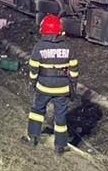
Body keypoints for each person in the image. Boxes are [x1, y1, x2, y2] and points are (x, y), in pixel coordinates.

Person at [24, 15, 79, 155]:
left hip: (43, 87)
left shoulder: (40, 47)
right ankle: (60, 146)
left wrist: (33, 82)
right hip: (62, 89)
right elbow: (74, 68)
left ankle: (33, 137)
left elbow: (33, 67)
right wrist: (73, 85)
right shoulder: (67, 47)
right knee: (60, 116)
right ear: (59, 30)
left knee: (37, 111)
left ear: (43, 29)